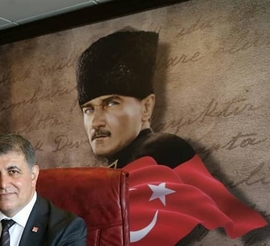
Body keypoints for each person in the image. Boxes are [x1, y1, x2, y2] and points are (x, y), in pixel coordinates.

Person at [76, 29, 195, 169]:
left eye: (111, 103)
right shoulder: (122, 163)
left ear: (146, 107)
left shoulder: (160, 152)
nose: (96, 123)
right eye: (88, 110)